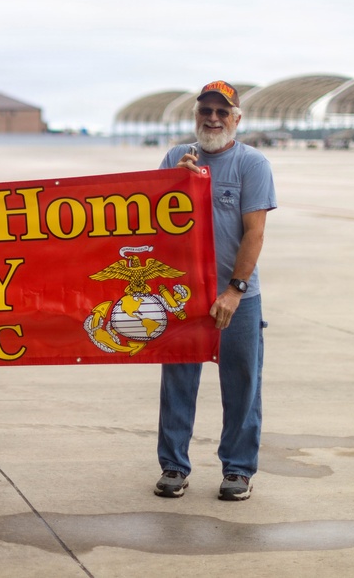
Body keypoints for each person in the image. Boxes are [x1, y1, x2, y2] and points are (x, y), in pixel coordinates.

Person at [154, 81, 276, 501]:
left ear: (237, 119)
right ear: (196, 116)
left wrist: (234, 291)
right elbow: (153, 222)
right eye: (206, 111)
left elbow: (254, 234)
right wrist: (176, 183)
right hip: (184, 295)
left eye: (223, 113)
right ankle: (173, 465)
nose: (213, 118)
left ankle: (238, 470)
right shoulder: (175, 158)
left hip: (236, 297)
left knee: (242, 383)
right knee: (178, 381)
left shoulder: (252, 164)